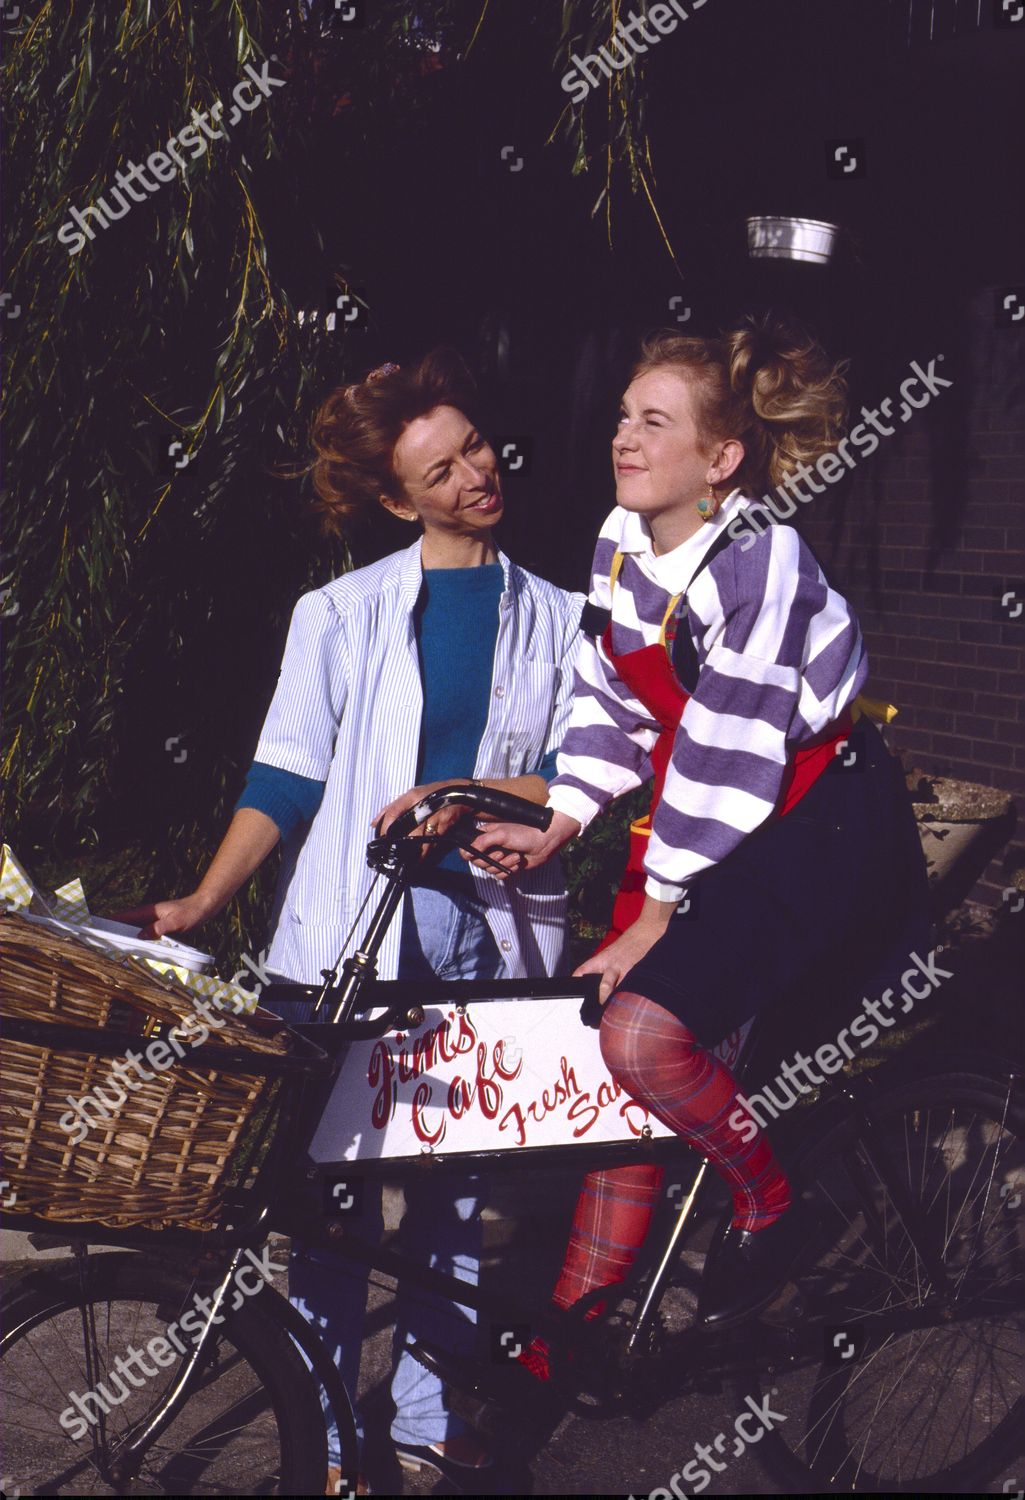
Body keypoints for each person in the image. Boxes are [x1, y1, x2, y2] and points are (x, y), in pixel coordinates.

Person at [118, 349, 583, 1490]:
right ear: (396, 499)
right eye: (442, 467)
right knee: (328, 1204)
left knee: (448, 1194)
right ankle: (326, 1434)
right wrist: (202, 900)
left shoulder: (562, 618)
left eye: (474, 445)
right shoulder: (337, 613)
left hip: (486, 936)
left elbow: (582, 773)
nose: (475, 472)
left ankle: (427, 1415)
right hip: (345, 944)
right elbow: (285, 777)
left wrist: (473, 799)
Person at [465, 317, 931, 1373]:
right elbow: (605, 705)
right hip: (701, 819)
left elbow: (728, 753)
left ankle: (775, 1206)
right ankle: (566, 1351)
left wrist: (657, 919)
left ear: (719, 461)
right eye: (624, 417)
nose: (624, 438)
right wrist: (562, 819)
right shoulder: (621, 541)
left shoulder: (758, 562)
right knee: (613, 1077)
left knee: (637, 1035)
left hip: (813, 828)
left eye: (654, 423)